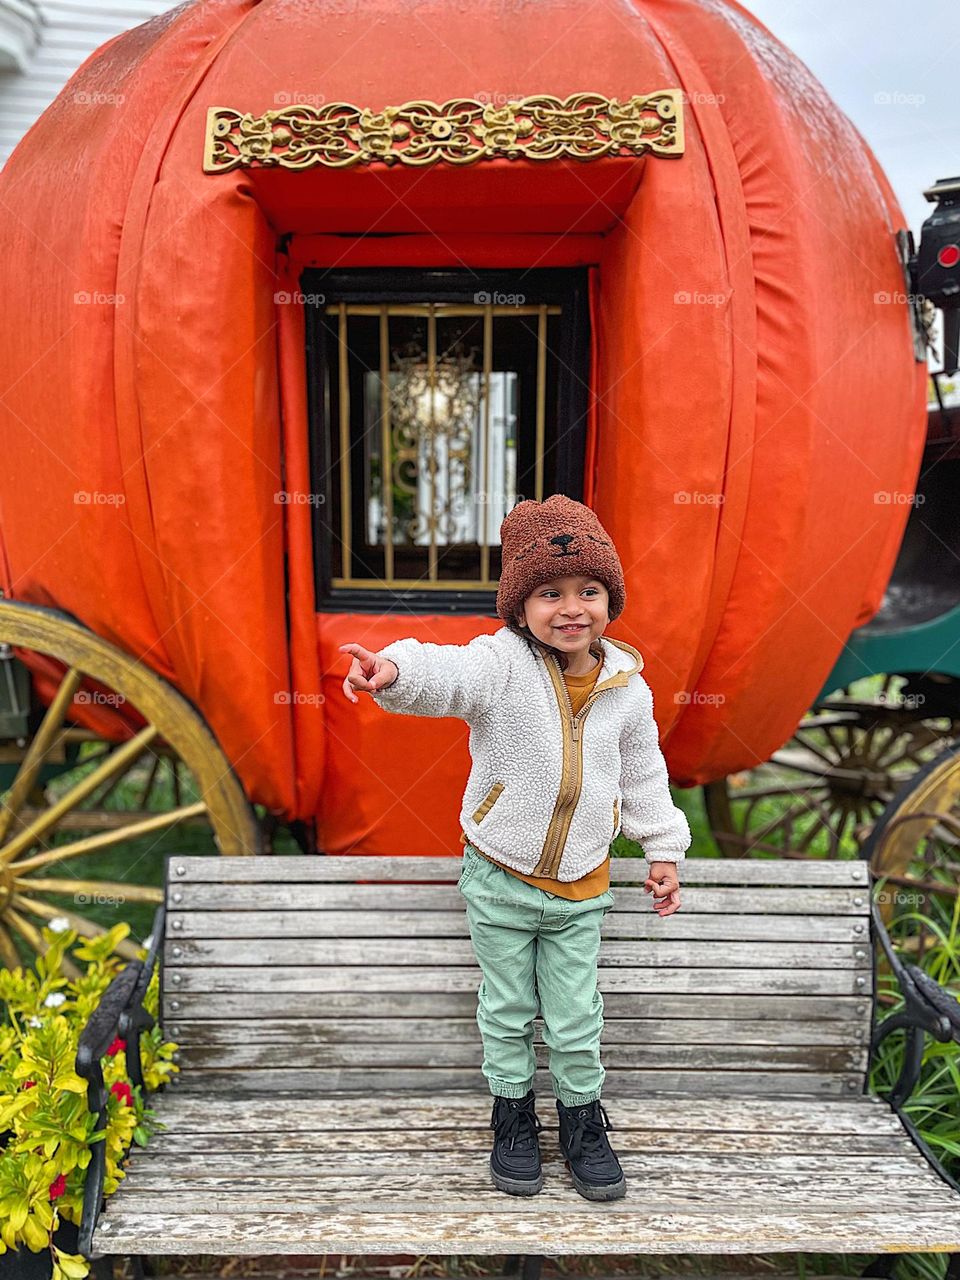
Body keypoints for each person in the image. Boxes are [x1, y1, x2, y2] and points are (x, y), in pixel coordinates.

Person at [339, 493, 691, 1202]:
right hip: (500, 875)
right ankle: (512, 1117)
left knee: (574, 1010)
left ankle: (583, 1121)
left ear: (609, 600)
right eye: (549, 593)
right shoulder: (500, 666)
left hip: (582, 882)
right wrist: (396, 673)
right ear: (519, 607)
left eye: (589, 591)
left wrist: (662, 847)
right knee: (505, 1007)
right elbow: (448, 673)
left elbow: (644, 769)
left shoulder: (627, 687)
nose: (572, 608)